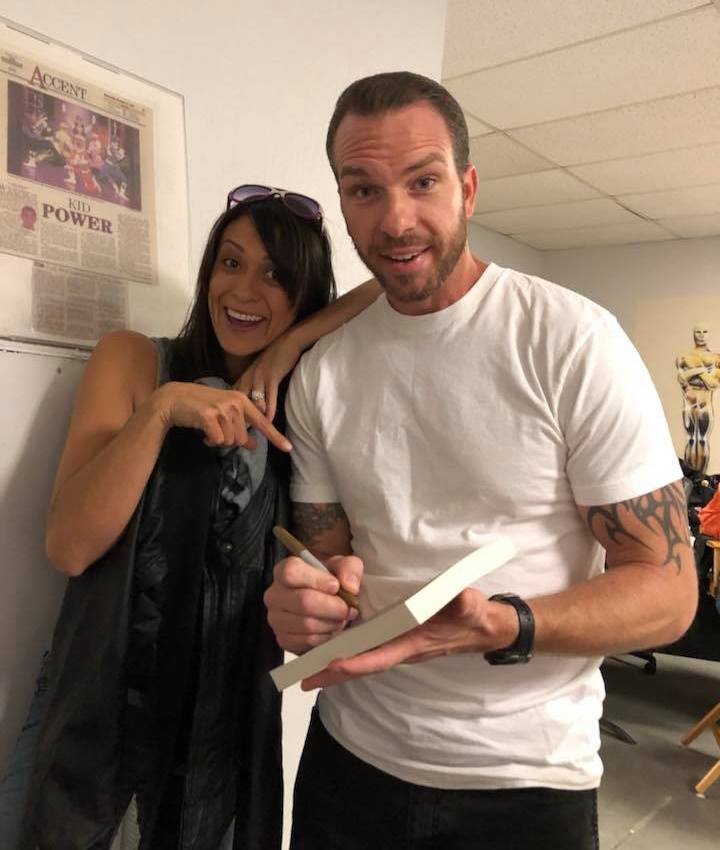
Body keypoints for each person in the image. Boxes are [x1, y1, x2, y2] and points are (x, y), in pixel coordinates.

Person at [264, 72, 699, 850]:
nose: (396, 219)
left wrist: (505, 624)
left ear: (467, 188)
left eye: (422, 181)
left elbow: (669, 594)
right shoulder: (323, 371)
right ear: (343, 203)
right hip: (350, 763)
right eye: (363, 190)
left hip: (525, 783)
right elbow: (328, 556)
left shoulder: (572, 341)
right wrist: (310, 602)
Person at [8, 184, 381, 850]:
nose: (243, 290)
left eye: (276, 276)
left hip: (223, 716)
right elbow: (70, 547)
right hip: (101, 692)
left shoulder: (301, 413)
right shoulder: (135, 359)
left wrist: (288, 349)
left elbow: (392, 285)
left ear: (306, 296)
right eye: (230, 263)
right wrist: (160, 412)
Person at [676, 324, 720, 473]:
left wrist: (695, 371)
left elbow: (713, 384)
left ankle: (700, 477)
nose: (701, 335)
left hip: (705, 403)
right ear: (694, 334)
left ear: (709, 334)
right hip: (689, 402)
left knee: (702, 439)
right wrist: (703, 370)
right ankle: (690, 476)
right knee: (690, 439)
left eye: (704, 331)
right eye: (698, 332)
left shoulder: (716, 358)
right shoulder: (683, 358)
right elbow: (681, 379)